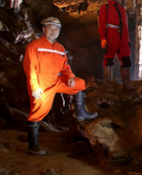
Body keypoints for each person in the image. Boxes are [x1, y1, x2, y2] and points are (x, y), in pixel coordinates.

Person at [24, 17, 98, 156]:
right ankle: (33, 146)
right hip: (42, 83)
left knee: (80, 83)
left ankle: (81, 114)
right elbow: (30, 68)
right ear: (44, 29)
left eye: (56, 29)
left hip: (57, 80)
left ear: (59, 31)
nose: (53, 31)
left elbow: (65, 67)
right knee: (37, 113)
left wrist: (70, 77)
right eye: (50, 28)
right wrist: (35, 87)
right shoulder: (34, 46)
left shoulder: (60, 48)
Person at [98, 0, 136, 91]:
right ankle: (109, 84)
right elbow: (102, 23)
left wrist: (127, 37)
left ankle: (126, 84)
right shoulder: (104, 8)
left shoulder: (121, 9)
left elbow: (125, 25)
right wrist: (103, 38)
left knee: (126, 60)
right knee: (109, 60)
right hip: (110, 34)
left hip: (122, 36)